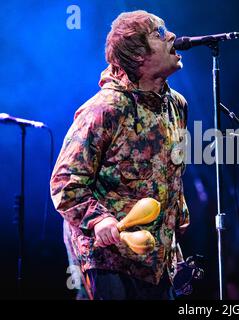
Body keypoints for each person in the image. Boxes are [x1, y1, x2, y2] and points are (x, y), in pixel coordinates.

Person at [50, 10, 189, 300]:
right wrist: (98, 220)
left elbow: (170, 171)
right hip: (109, 261)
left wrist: (177, 219)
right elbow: (65, 182)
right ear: (138, 55)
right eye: (159, 33)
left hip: (157, 259)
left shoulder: (176, 105)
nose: (172, 37)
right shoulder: (105, 109)